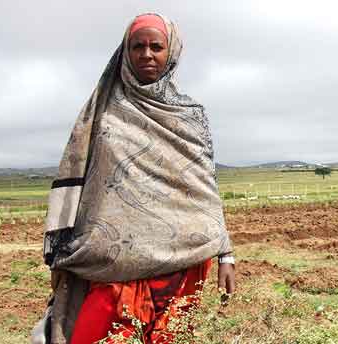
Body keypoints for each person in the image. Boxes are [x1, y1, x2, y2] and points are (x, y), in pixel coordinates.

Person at [33, 13, 235, 344]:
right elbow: (82, 177)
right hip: (111, 264)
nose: (146, 54)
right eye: (137, 46)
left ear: (171, 53)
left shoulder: (189, 116)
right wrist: (65, 248)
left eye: (156, 46)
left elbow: (204, 189)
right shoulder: (102, 113)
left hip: (179, 264)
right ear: (125, 51)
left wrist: (225, 254)